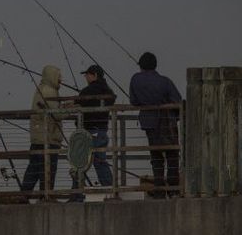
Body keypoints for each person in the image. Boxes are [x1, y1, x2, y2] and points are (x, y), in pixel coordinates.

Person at [129, 52, 182, 199]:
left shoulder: (135, 79)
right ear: (155, 65)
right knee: (172, 155)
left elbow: (133, 101)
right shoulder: (165, 81)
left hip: (148, 123)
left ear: (141, 65)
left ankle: (159, 189)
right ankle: (173, 190)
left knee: (156, 155)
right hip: (167, 123)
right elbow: (177, 100)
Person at [69, 65, 116, 202]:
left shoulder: (88, 91)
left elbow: (77, 103)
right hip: (102, 131)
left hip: (89, 131)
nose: (85, 77)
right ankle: (110, 191)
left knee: (80, 162)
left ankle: (76, 195)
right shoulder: (108, 91)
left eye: (87, 74)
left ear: (94, 75)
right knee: (100, 161)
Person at [21, 65, 66, 198]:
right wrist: (71, 109)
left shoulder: (42, 89)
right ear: (52, 76)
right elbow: (56, 114)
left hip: (39, 138)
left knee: (35, 169)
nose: (61, 79)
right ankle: (45, 197)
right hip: (47, 138)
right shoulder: (49, 91)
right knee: (48, 170)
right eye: (58, 76)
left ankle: (24, 195)